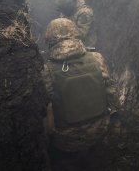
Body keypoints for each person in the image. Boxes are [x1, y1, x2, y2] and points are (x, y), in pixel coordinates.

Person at [41, 18, 120, 153]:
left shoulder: (46, 70)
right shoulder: (97, 58)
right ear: (76, 33)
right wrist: (116, 124)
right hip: (100, 131)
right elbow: (111, 92)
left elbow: (44, 106)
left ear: (50, 40)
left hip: (66, 142)